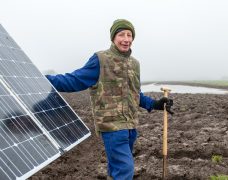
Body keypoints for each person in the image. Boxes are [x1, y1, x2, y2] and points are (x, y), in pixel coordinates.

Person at [46, 19, 174, 180]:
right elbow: (74, 80)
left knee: (117, 170)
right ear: (113, 37)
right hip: (112, 126)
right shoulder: (100, 59)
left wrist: (155, 104)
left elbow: (135, 95)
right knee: (125, 170)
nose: (126, 39)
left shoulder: (134, 64)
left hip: (130, 126)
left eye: (129, 35)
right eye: (122, 34)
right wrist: (42, 80)